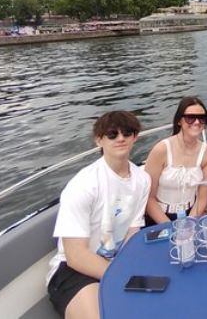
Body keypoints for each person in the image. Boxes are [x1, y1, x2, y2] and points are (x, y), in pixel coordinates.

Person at [47, 111, 150, 319]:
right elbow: (76, 256)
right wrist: (120, 276)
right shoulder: (83, 185)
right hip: (73, 271)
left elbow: (132, 232)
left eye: (127, 132)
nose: (120, 138)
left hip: (118, 263)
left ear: (135, 136)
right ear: (99, 140)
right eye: (112, 134)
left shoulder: (142, 179)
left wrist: (128, 268)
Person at [144, 96, 207, 225]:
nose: (196, 122)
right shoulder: (161, 150)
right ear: (179, 121)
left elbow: (202, 197)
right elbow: (149, 198)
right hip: (159, 218)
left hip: (191, 215)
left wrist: (189, 223)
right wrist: (171, 227)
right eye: (190, 118)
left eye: (202, 118)